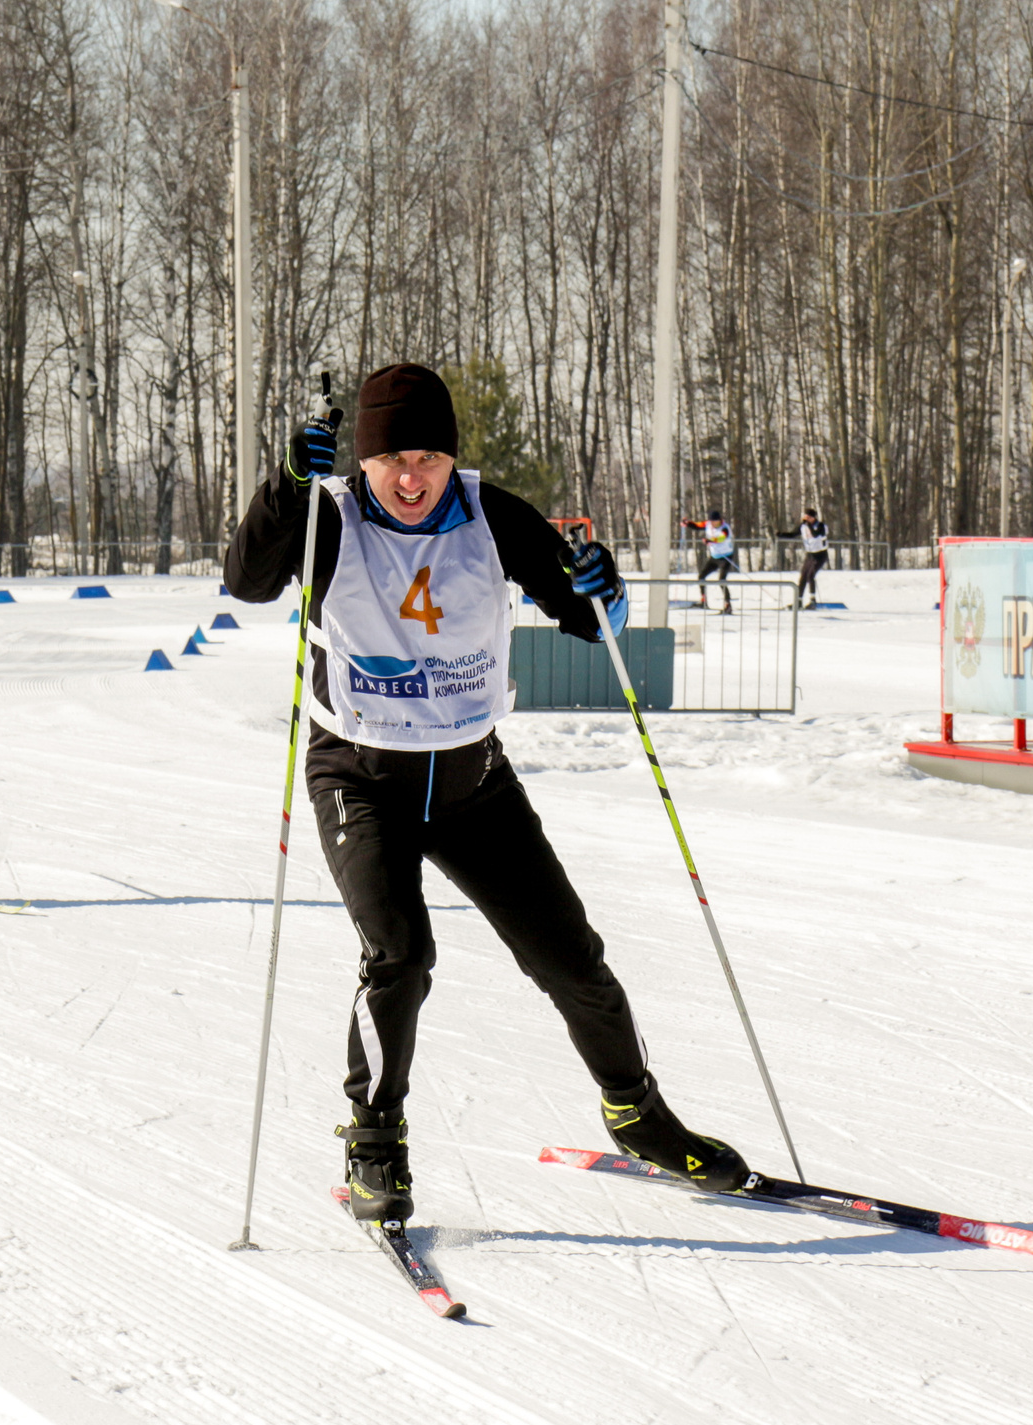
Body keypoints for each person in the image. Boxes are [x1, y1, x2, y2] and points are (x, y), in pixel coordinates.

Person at [223, 362, 750, 1223]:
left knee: (572, 959)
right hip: (361, 774)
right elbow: (246, 581)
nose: (411, 478)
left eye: (428, 456)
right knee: (401, 953)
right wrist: (285, 485)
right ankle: (375, 1136)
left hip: (472, 779)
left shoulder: (489, 512)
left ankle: (639, 1115)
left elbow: (589, 618)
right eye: (392, 458)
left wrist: (603, 589)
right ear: (364, 461)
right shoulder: (329, 512)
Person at [683, 509, 737, 613]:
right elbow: (697, 526)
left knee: (721, 580)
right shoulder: (708, 524)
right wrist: (687, 523)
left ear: (719, 520)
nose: (712, 523)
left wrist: (710, 540)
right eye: (711, 521)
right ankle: (703, 601)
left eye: (714, 521)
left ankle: (728, 605)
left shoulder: (724, 528)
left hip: (725, 557)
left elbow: (722, 538)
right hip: (714, 557)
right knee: (701, 576)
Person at [795, 507, 829, 609]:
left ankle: (813, 601)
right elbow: (793, 533)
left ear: (813, 517)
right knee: (803, 577)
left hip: (820, 555)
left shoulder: (821, 526)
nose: (806, 518)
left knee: (810, 575)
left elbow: (815, 534)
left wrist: (808, 525)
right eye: (805, 516)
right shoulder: (803, 526)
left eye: (809, 517)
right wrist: (781, 535)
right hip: (810, 555)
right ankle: (799, 601)